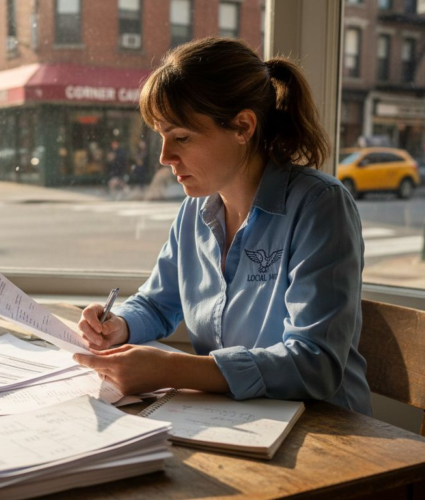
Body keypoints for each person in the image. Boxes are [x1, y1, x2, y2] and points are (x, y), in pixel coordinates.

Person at [74, 37, 372, 415]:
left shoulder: (319, 206)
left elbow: (315, 363)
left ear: (243, 126)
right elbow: (157, 303)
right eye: (161, 137)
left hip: (328, 431)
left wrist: (176, 369)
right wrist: (119, 325)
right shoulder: (193, 211)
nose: (165, 157)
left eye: (181, 137)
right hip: (237, 417)